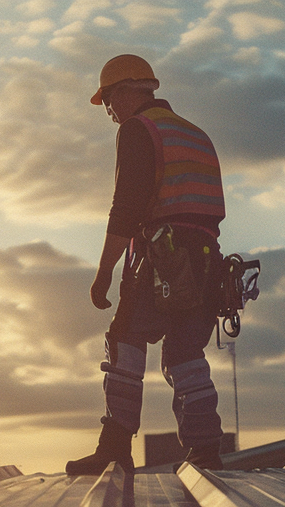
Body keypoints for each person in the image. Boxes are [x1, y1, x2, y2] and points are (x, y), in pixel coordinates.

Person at [66, 54, 227, 475]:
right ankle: (206, 449)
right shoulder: (195, 133)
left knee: (126, 338)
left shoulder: (141, 128)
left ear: (125, 91)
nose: (110, 112)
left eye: (108, 102)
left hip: (163, 254)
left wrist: (104, 273)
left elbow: (127, 207)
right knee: (185, 352)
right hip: (207, 259)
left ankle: (115, 445)